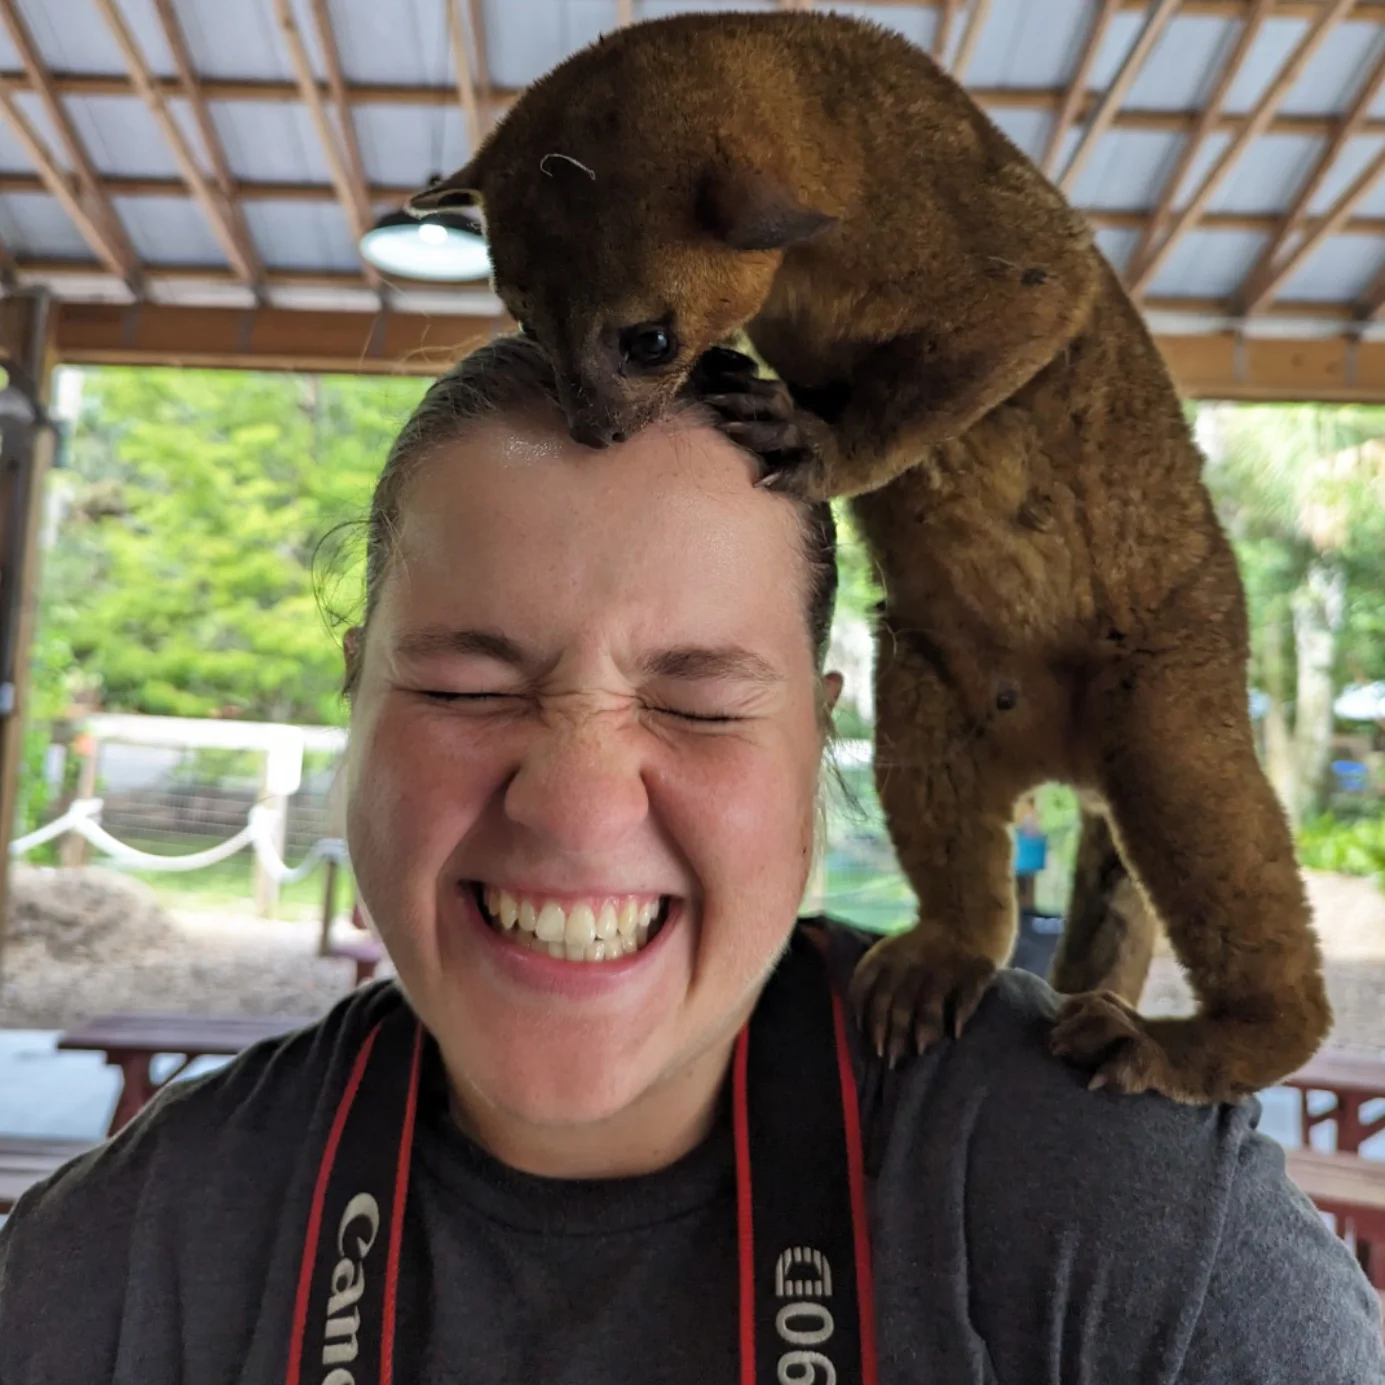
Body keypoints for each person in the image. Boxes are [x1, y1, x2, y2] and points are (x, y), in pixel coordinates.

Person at [0, 336, 1380, 1384]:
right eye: (470, 689)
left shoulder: (1111, 1211)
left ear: (822, 754)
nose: (580, 806)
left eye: (703, 701)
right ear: (355, 704)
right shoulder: (124, 1262)